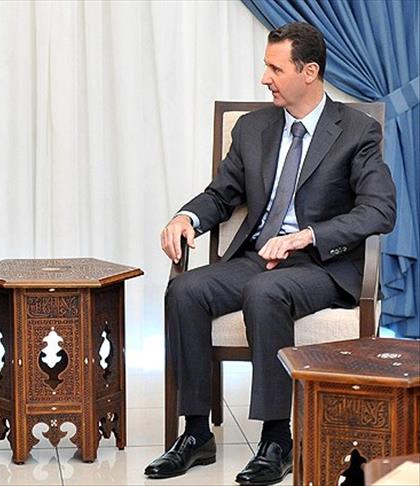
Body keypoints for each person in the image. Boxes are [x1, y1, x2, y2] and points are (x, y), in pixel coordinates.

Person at [145, 22, 396, 485]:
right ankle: (196, 433)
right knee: (186, 290)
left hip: (321, 264)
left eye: (275, 69)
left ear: (309, 72)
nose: (265, 78)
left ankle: (278, 440)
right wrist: (186, 217)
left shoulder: (357, 131)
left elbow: (380, 210)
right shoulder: (253, 128)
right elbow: (221, 194)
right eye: (266, 67)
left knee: (265, 292)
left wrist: (309, 236)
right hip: (259, 258)